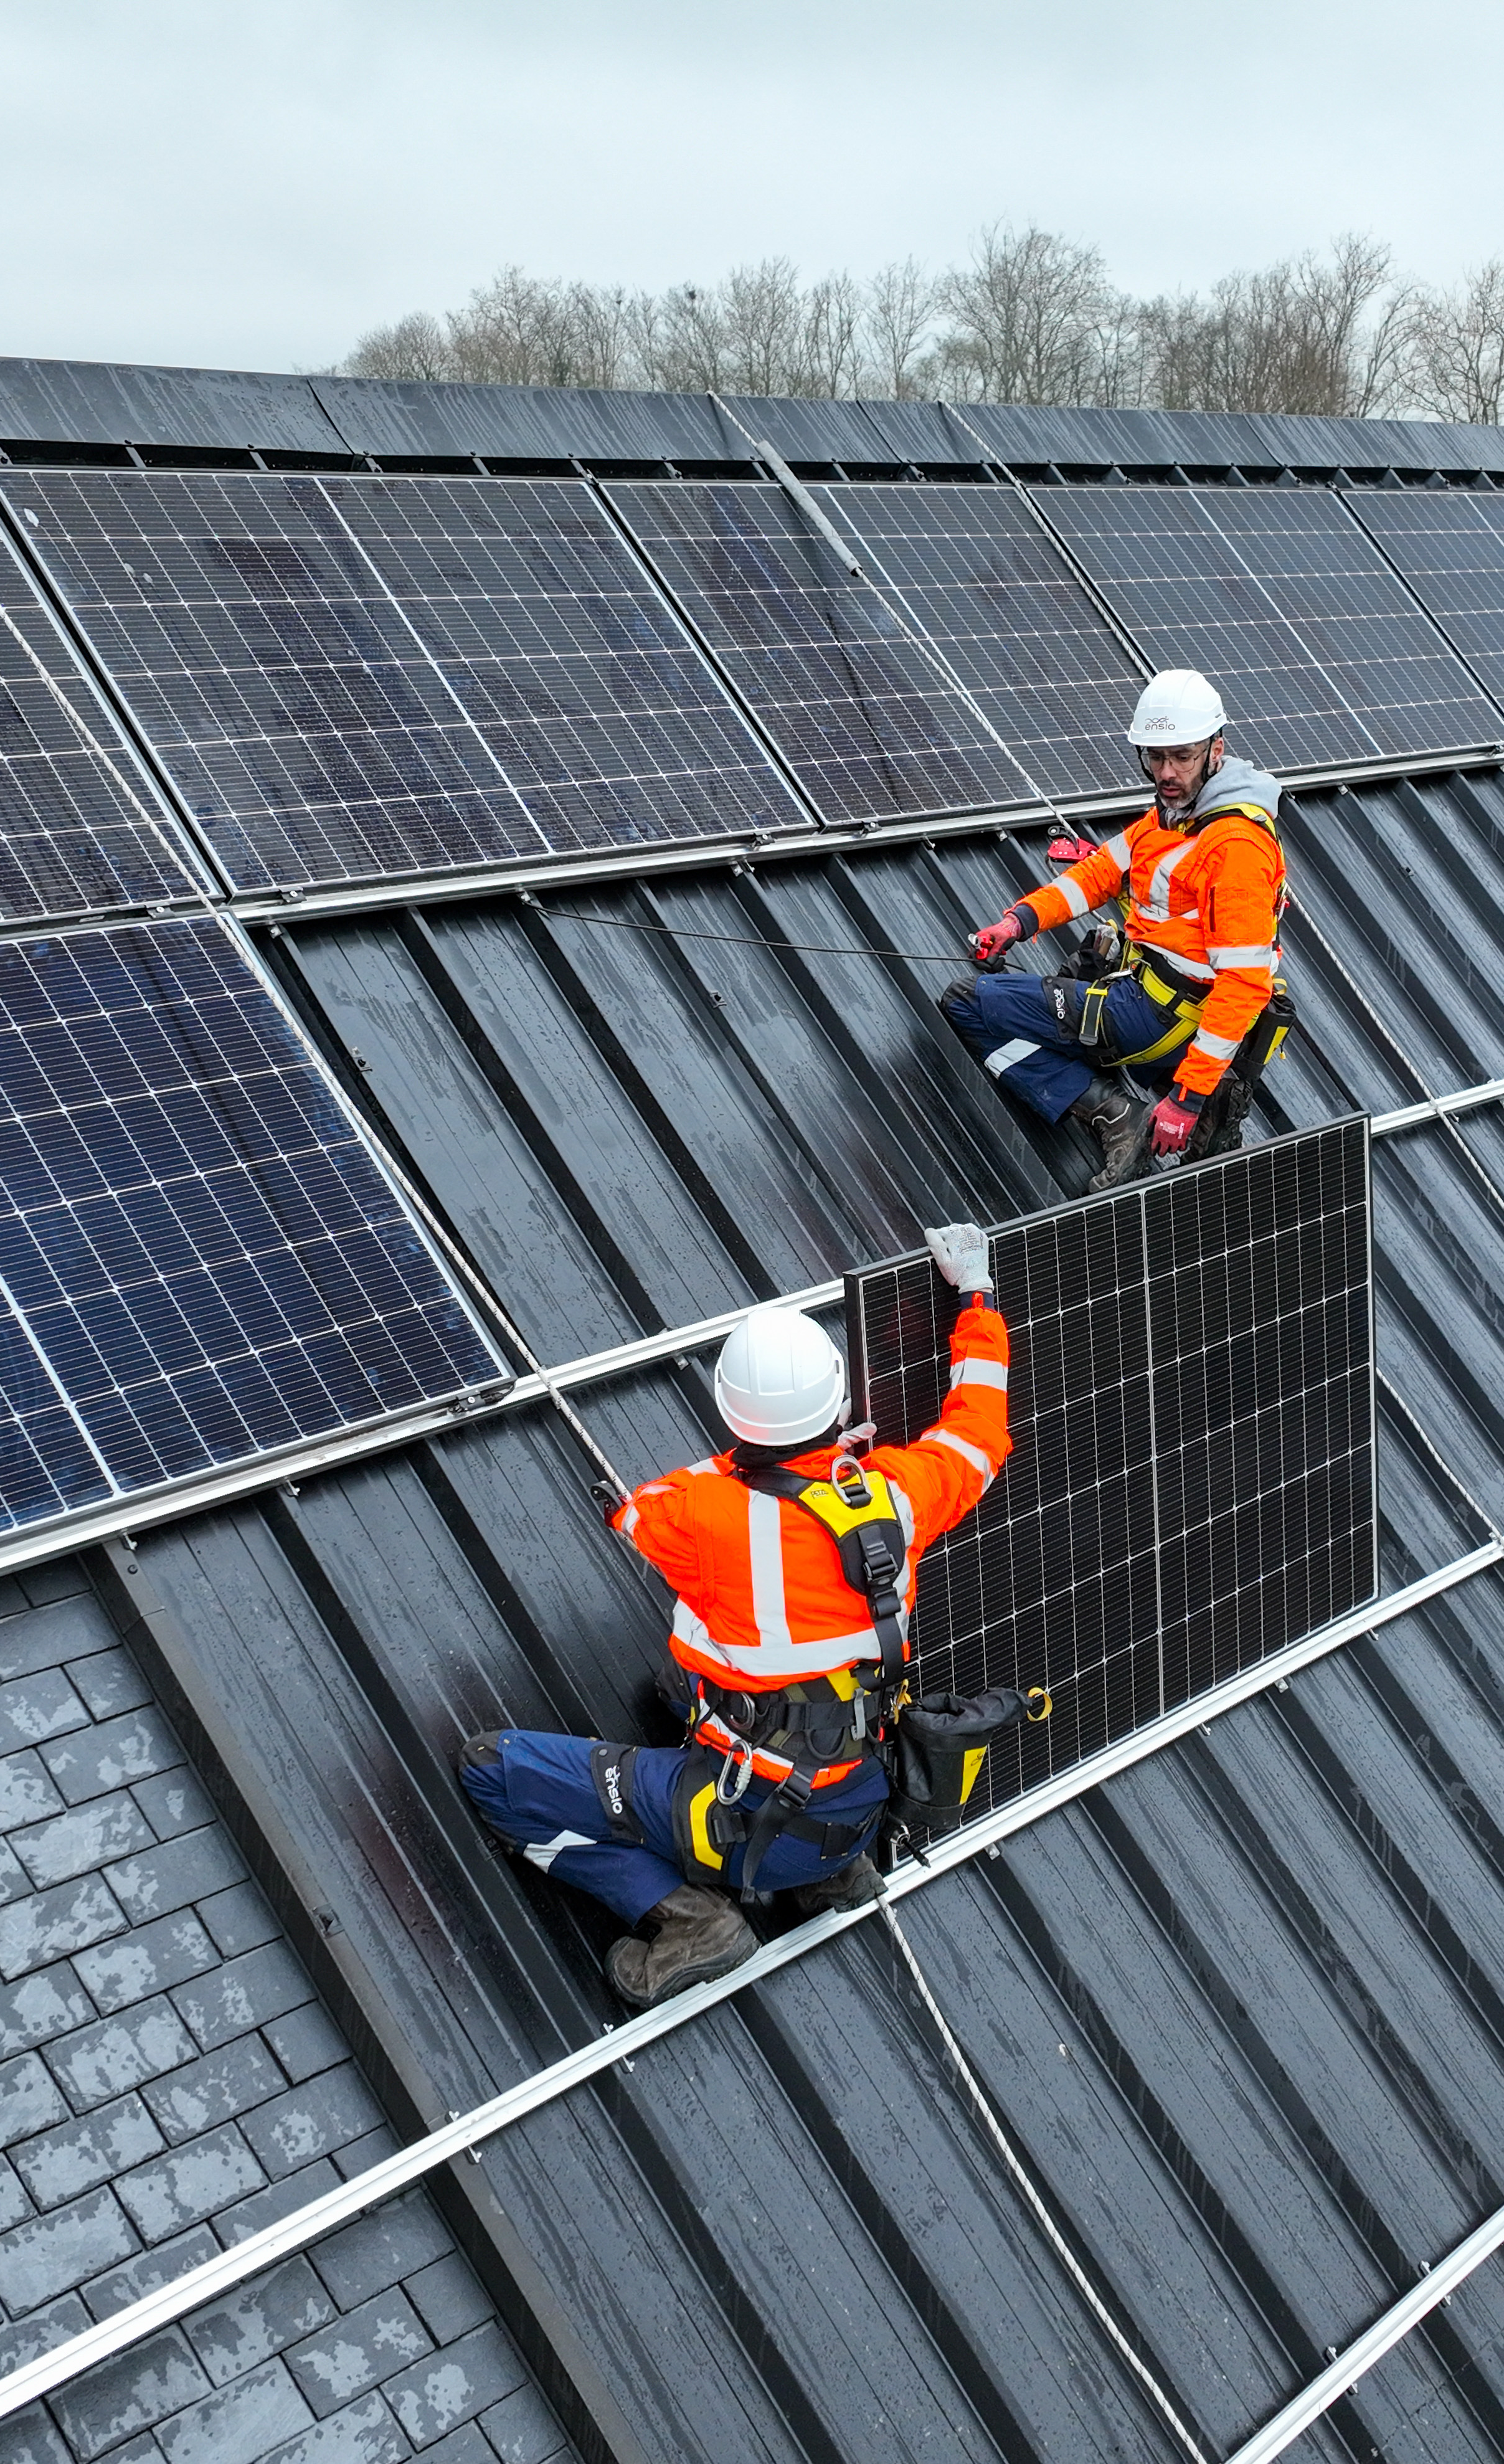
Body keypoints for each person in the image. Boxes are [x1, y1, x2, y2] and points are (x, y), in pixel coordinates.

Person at [458, 1223, 1009, 2011]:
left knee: (493, 1769)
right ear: (840, 1401)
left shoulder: (705, 1512)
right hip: (856, 1811)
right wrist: (975, 1295)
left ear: (732, 1415)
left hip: (737, 1820)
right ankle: (829, 1877)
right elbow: (979, 1431)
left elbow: (637, 1511)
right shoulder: (895, 1494)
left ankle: (694, 1922)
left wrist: (750, 1462)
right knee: (709, 1685)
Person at [940, 669, 1292, 1191]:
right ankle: (1202, 1090)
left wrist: (1185, 1101)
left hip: (1156, 1015)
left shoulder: (1234, 846)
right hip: (1180, 1022)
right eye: (1155, 757)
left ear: (1217, 749)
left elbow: (1244, 984)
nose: (1166, 772)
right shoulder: (1176, 817)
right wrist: (1018, 922)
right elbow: (1100, 871)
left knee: (967, 1001)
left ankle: (1113, 1114)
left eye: (1182, 757)